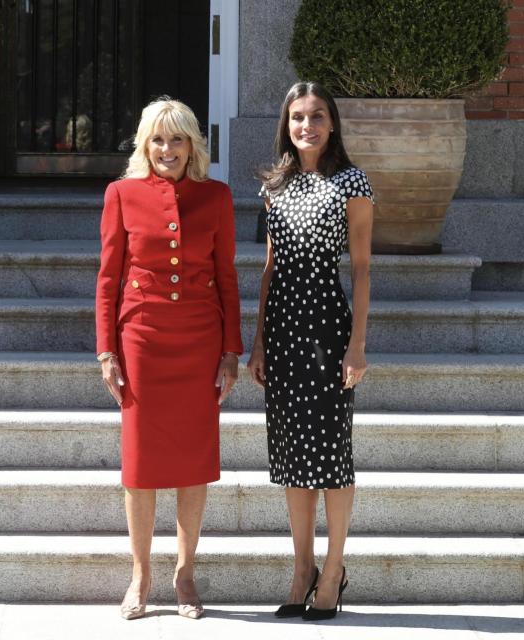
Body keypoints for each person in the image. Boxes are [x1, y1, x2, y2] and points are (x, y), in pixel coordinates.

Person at [96, 97, 243, 620]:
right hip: (142, 338)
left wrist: (231, 352)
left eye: (177, 139)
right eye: (157, 140)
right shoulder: (121, 194)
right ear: (144, 145)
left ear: (192, 146)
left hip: (200, 339)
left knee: (192, 462)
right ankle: (141, 573)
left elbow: (227, 277)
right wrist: (106, 350)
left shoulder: (216, 197)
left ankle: (184, 573)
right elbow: (108, 278)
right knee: (139, 464)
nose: (167, 149)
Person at [248, 81, 373, 621]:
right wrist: (256, 342)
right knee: (293, 458)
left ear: (332, 123)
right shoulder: (274, 185)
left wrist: (358, 345)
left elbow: (363, 269)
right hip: (282, 334)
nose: (307, 126)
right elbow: (270, 269)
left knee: (331, 457)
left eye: (317, 116)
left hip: (327, 330)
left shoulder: (352, 182)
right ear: (287, 124)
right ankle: (301, 569)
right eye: (298, 117)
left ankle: (334, 568)